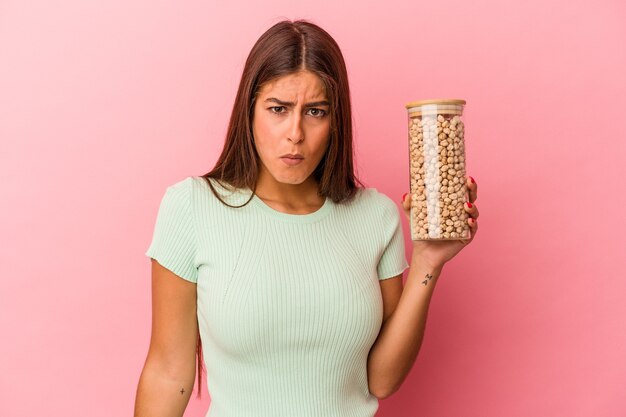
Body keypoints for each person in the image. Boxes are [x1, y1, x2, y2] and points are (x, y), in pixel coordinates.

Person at [134, 19, 479, 417]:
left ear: (336, 122)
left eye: (315, 111)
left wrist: (428, 260)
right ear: (249, 112)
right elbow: (167, 372)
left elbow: (381, 379)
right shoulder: (192, 207)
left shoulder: (375, 216)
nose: (295, 133)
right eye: (278, 109)